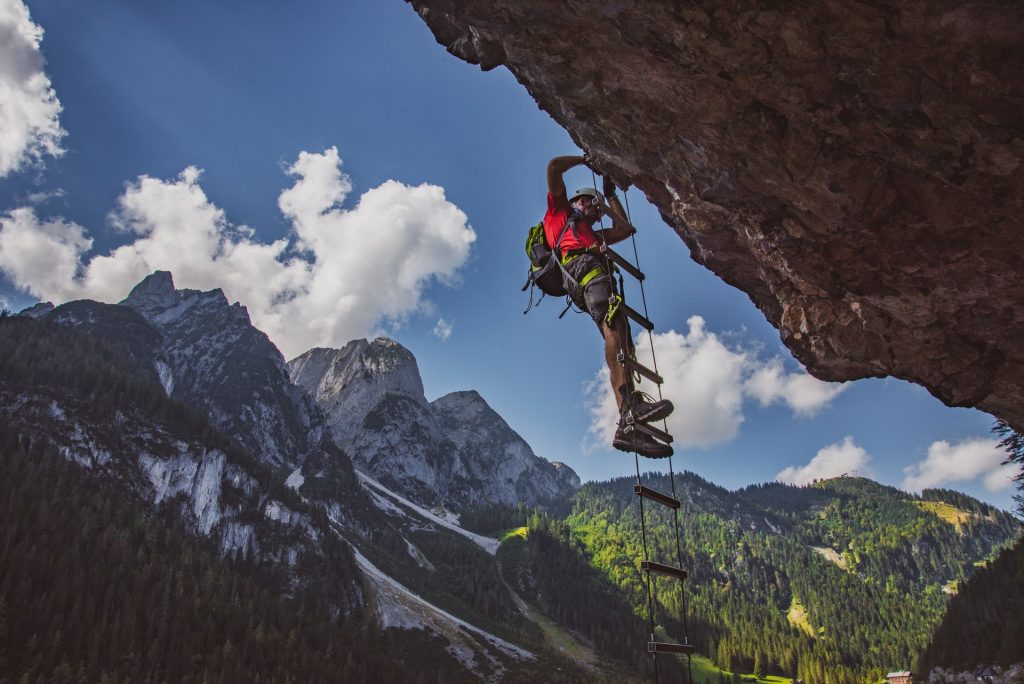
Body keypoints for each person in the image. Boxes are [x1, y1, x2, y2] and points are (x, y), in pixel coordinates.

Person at [545, 155, 674, 458]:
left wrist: (610, 197)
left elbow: (625, 229)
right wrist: (586, 160)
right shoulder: (560, 214)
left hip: (591, 274)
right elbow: (553, 167)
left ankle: (628, 424)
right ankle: (630, 408)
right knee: (614, 325)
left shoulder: (593, 234)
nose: (597, 213)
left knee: (620, 337)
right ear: (581, 202)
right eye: (593, 205)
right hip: (584, 269)